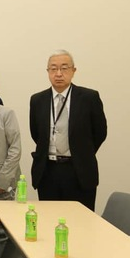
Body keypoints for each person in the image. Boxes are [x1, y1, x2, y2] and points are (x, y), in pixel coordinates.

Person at [30, 50, 107, 211]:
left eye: (64, 68)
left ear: (73, 71)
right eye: (53, 69)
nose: (58, 73)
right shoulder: (38, 100)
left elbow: (100, 132)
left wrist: (82, 152)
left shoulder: (89, 98)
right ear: (48, 72)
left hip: (78, 170)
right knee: (49, 220)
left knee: (81, 222)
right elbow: (36, 134)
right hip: (48, 170)